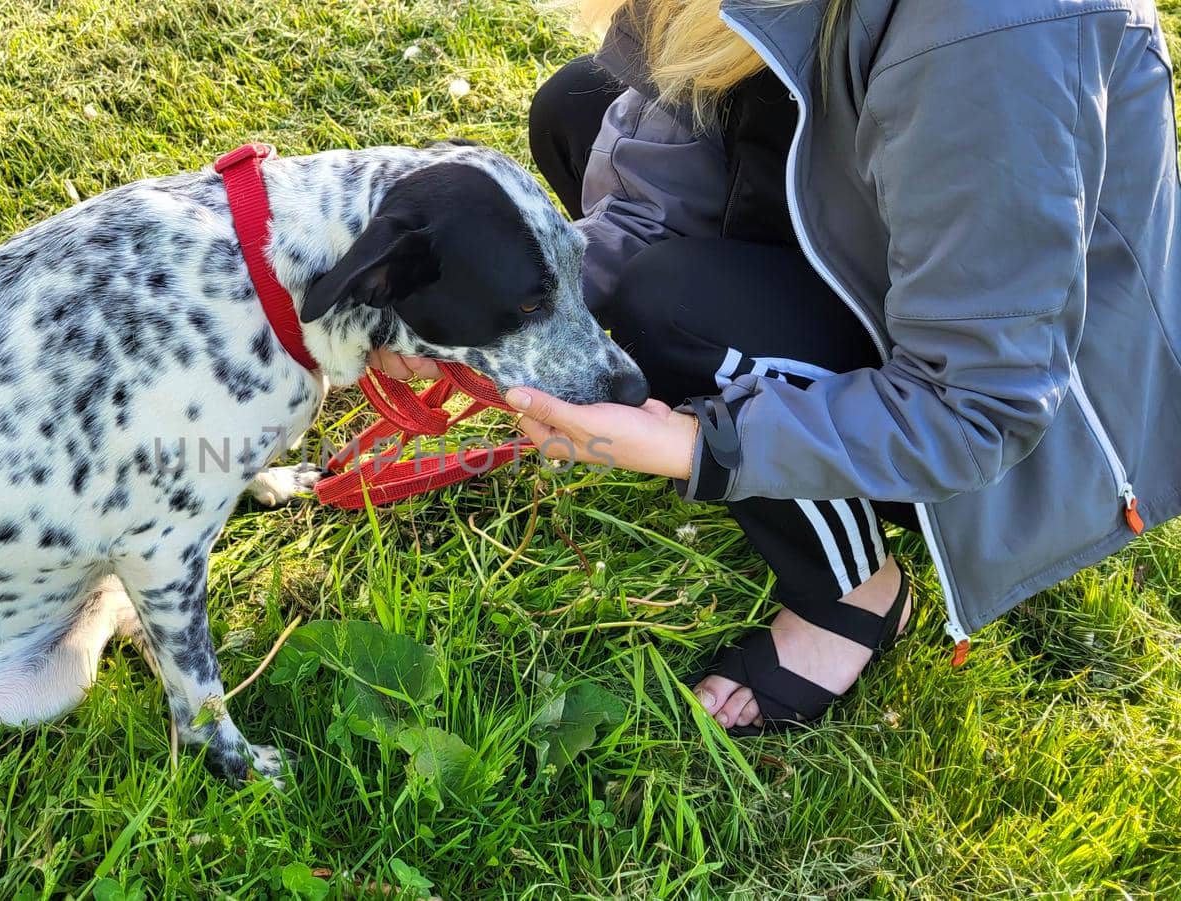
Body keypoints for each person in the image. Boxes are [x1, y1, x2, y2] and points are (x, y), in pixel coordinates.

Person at [372, 0, 1181, 733]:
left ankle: (853, 596)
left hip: (1026, 430)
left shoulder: (992, 31)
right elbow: (655, 193)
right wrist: (515, 323)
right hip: (875, 235)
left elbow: (977, 410)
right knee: (572, 109)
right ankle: (740, 377)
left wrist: (701, 448)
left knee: (675, 308)